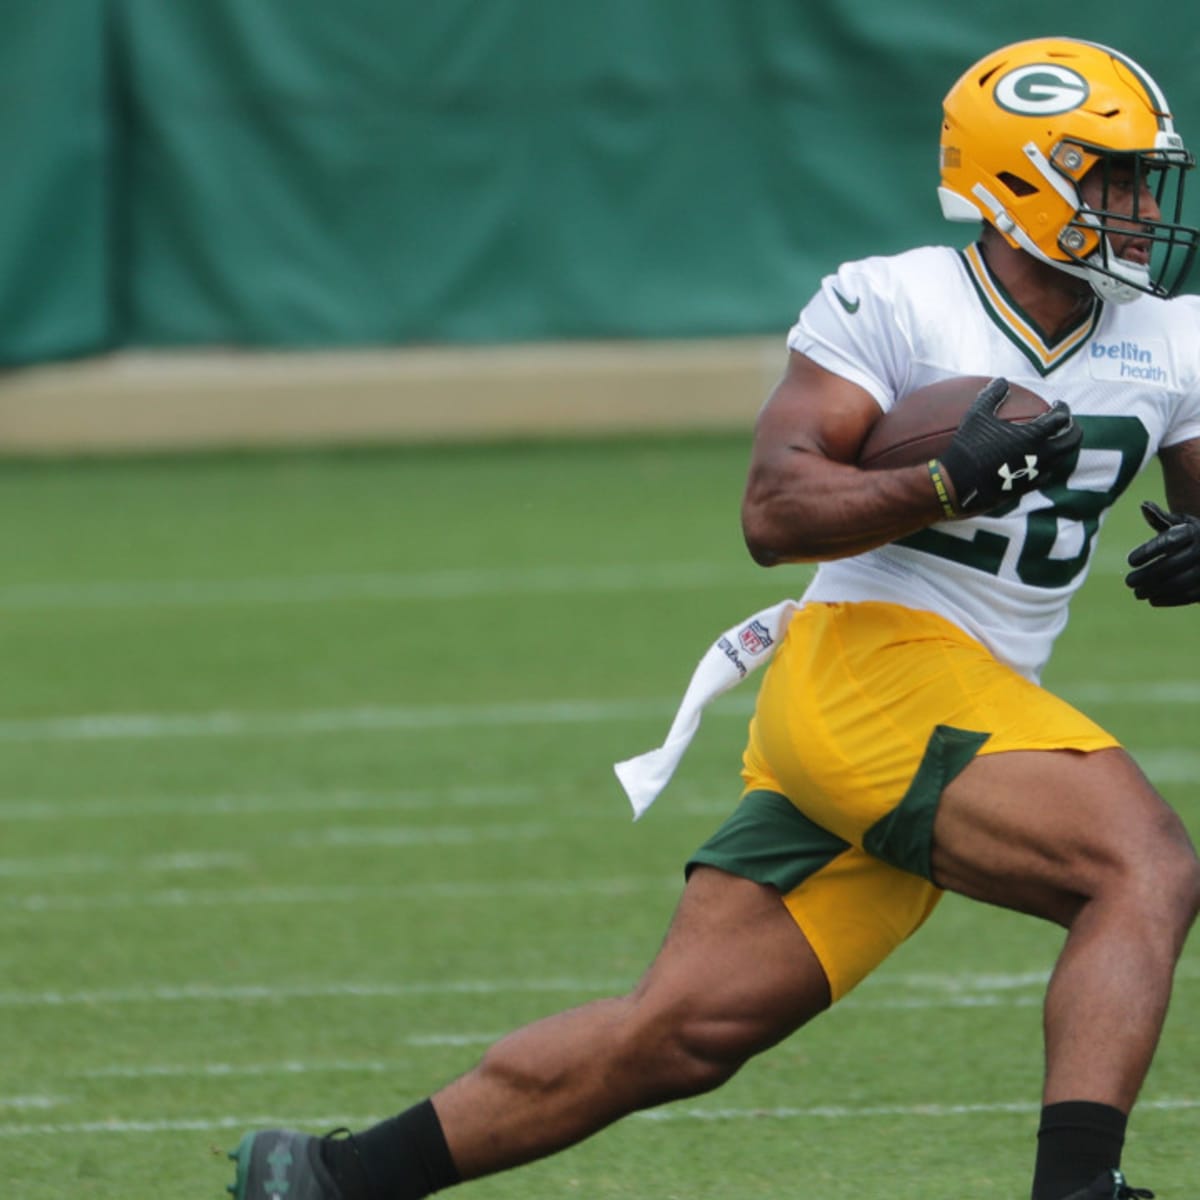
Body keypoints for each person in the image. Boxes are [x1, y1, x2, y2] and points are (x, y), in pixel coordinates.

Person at [226, 36, 1200, 1200]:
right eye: (1116, 179)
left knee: (678, 1033)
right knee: (1139, 865)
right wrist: (940, 482)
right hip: (869, 667)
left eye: (1146, 179)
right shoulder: (894, 299)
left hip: (960, 709)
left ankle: (327, 1180)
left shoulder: (1172, 339)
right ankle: (1077, 1189)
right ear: (1020, 179)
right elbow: (775, 508)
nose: (1143, 209)